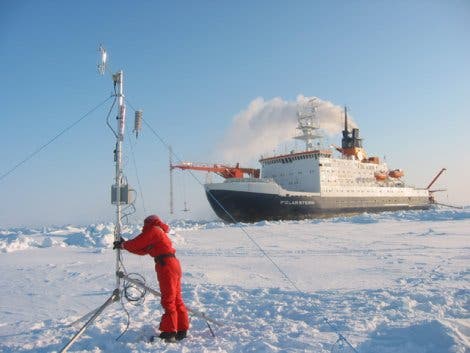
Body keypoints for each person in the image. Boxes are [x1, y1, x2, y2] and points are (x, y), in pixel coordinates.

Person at [114, 215, 189, 342]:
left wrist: (124, 244)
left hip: (166, 265)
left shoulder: (153, 230)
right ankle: (182, 329)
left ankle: (169, 332)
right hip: (172, 263)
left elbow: (137, 243)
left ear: (149, 223)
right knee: (176, 298)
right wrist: (124, 245)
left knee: (169, 299)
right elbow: (142, 249)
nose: (143, 227)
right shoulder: (158, 232)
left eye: (144, 224)